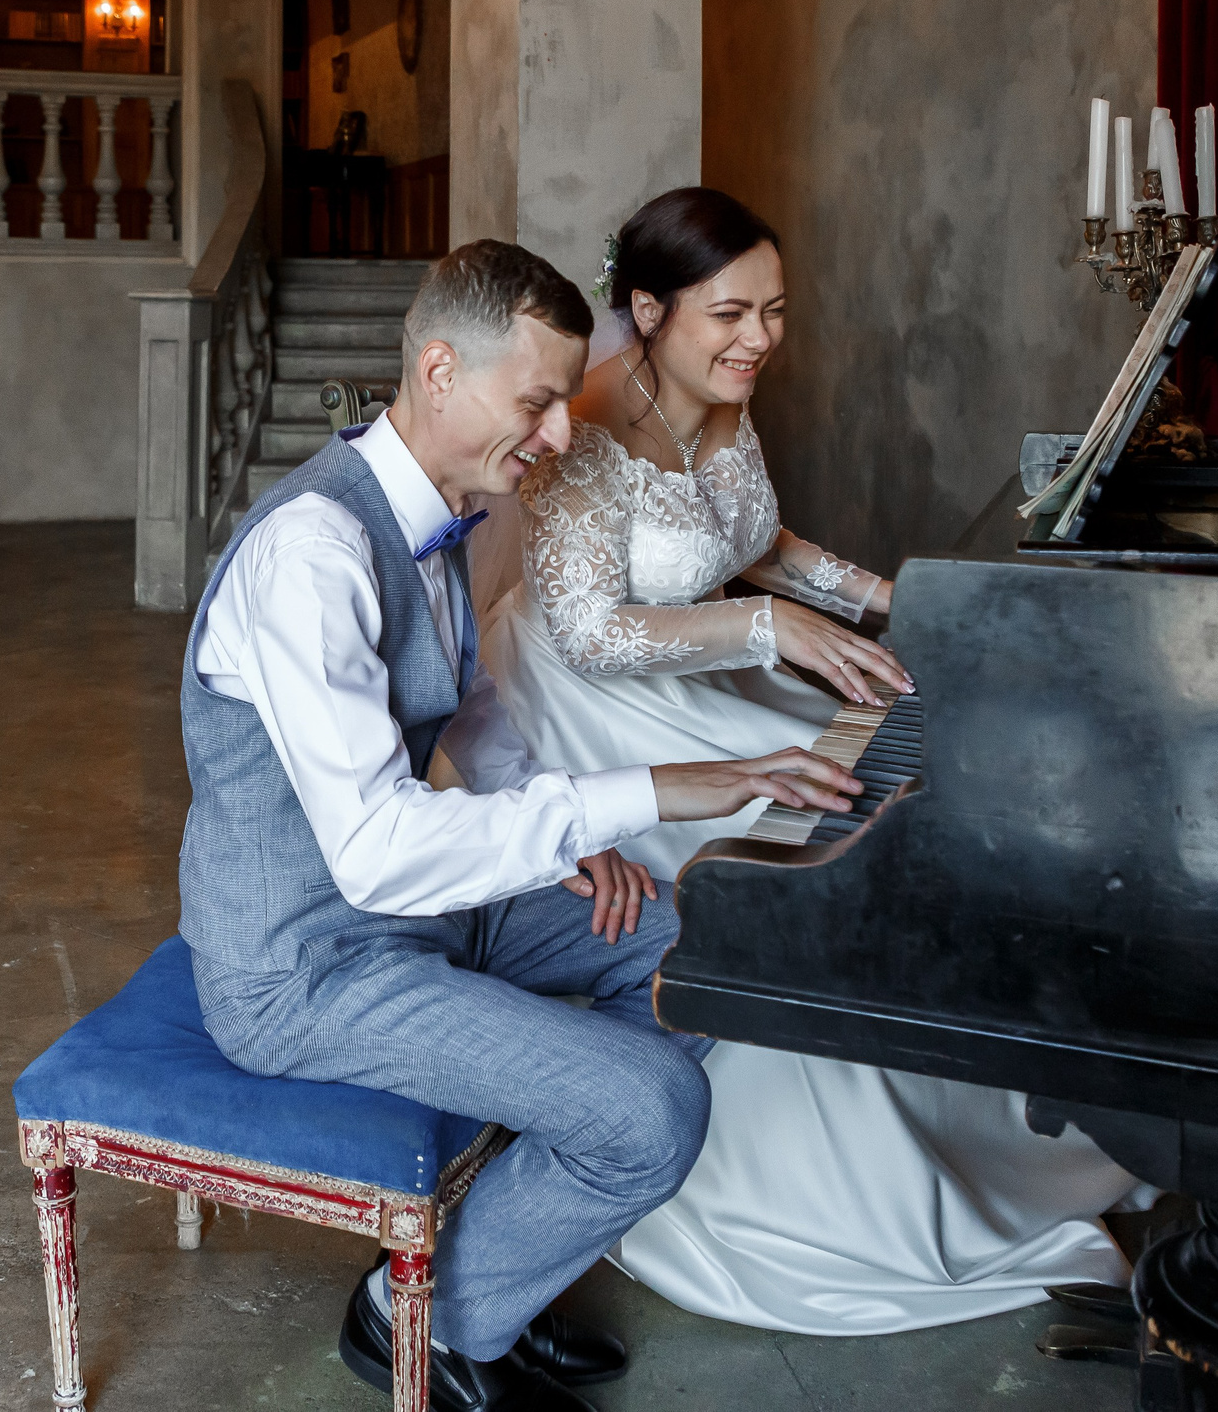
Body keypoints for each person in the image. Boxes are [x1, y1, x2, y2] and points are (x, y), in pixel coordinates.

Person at [180, 239, 861, 1411]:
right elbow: (381, 850)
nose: (557, 436)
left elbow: (470, 714)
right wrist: (650, 789)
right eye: (536, 401)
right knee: (653, 1110)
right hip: (308, 959)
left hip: (423, 915)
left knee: (713, 942)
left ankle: (484, 1269)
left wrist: (565, 837)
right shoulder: (314, 553)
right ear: (439, 369)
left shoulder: (440, 511)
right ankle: (430, 1321)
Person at [476, 188, 1152, 1335]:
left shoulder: (725, 398)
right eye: (730, 314)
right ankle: (816, 1185)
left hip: (703, 657)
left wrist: (896, 602)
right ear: (646, 311)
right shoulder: (583, 429)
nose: (759, 341)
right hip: (599, 693)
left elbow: (757, 543)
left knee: (885, 777)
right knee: (815, 831)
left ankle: (962, 1100)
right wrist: (771, 631)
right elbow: (591, 628)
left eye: (776, 312)